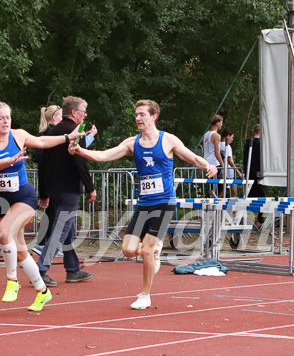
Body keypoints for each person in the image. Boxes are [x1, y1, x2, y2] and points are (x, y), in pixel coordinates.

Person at [70, 99, 217, 310]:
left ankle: (145, 295)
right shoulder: (132, 143)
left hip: (164, 203)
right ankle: (154, 252)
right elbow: (104, 156)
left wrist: (208, 166)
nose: (138, 118)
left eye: (142, 114)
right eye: (136, 115)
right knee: (129, 250)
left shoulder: (168, 140)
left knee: (146, 250)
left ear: (153, 116)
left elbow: (192, 157)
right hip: (144, 204)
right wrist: (80, 151)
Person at [0, 101, 86, 311]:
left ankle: (12, 280)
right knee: (20, 251)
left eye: (8, 117)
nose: (6, 121)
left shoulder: (18, 135)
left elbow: (42, 141)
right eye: (1, 118)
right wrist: (10, 160)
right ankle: (43, 291)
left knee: (3, 233)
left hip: (23, 198)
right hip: (0, 200)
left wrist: (67, 137)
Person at [36, 96, 96, 287]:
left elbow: (42, 163)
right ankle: (40, 270)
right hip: (68, 189)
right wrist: (90, 187)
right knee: (61, 231)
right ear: (74, 112)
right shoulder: (76, 132)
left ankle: (72, 269)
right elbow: (80, 162)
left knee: (67, 231)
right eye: (83, 110)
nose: (85, 114)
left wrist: (44, 191)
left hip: (53, 189)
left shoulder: (54, 131)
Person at [32, 105, 63, 256]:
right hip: (52, 181)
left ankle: (43, 243)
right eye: (61, 116)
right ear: (54, 118)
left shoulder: (47, 134)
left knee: (51, 213)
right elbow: (42, 162)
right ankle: (46, 245)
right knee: (54, 214)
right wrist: (44, 191)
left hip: (51, 180)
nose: (63, 119)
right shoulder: (51, 135)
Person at [243, 124, 265, 224]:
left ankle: (255, 217)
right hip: (256, 172)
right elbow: (259, 159)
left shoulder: (249, 142)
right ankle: (258, 217)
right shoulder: (259, 143)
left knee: (253, 194)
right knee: (259, 196)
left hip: (249, 172)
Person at [202, 115, 225, 198]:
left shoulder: (206, 134)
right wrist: (223, 165)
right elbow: (217, 153)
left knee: (212, 185)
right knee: (221, 185)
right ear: (218, 123)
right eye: (221, 123)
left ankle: (213, 199)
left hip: (207, 162)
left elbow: (203, 150)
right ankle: (217, 203)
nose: (222, 125)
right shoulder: (216, 135)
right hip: (215, 163)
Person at [219, 128, 244, 197]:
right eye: (232, 137)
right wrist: (238, 172)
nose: (232, 139)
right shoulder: (227, 146)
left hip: (221, 171)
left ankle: (217, 203)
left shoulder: (218, 144)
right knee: (231, 191)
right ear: (228, 136)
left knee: (225, 190)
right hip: (228, 173)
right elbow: (229, 160)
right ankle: (231, 206)